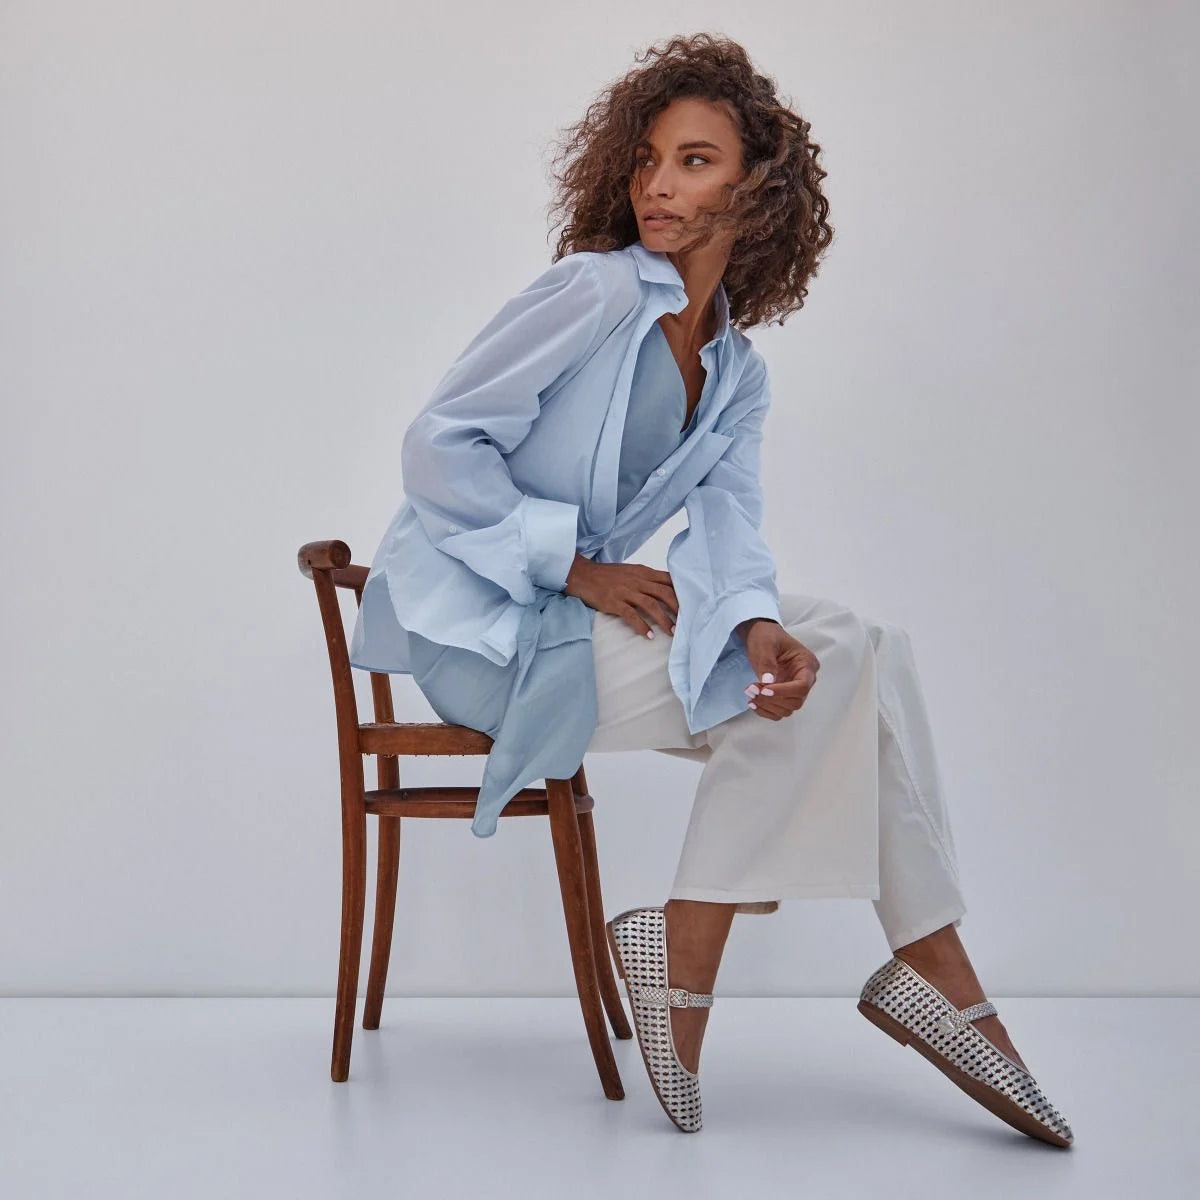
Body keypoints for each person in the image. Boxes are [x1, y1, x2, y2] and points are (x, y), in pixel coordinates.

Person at [350, 32, 1075, 1145]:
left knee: (836, 658)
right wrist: (574, 566)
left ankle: (848, 979)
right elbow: (438, 445)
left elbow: (731, 528)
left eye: (693, 160)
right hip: (493, 637)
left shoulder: (738, 371)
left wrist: (757, 622)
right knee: (847, 658)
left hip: (578, 637)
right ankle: (885, 976)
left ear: (758, 188)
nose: (656, 184)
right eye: (647, 159)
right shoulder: (590, 294)